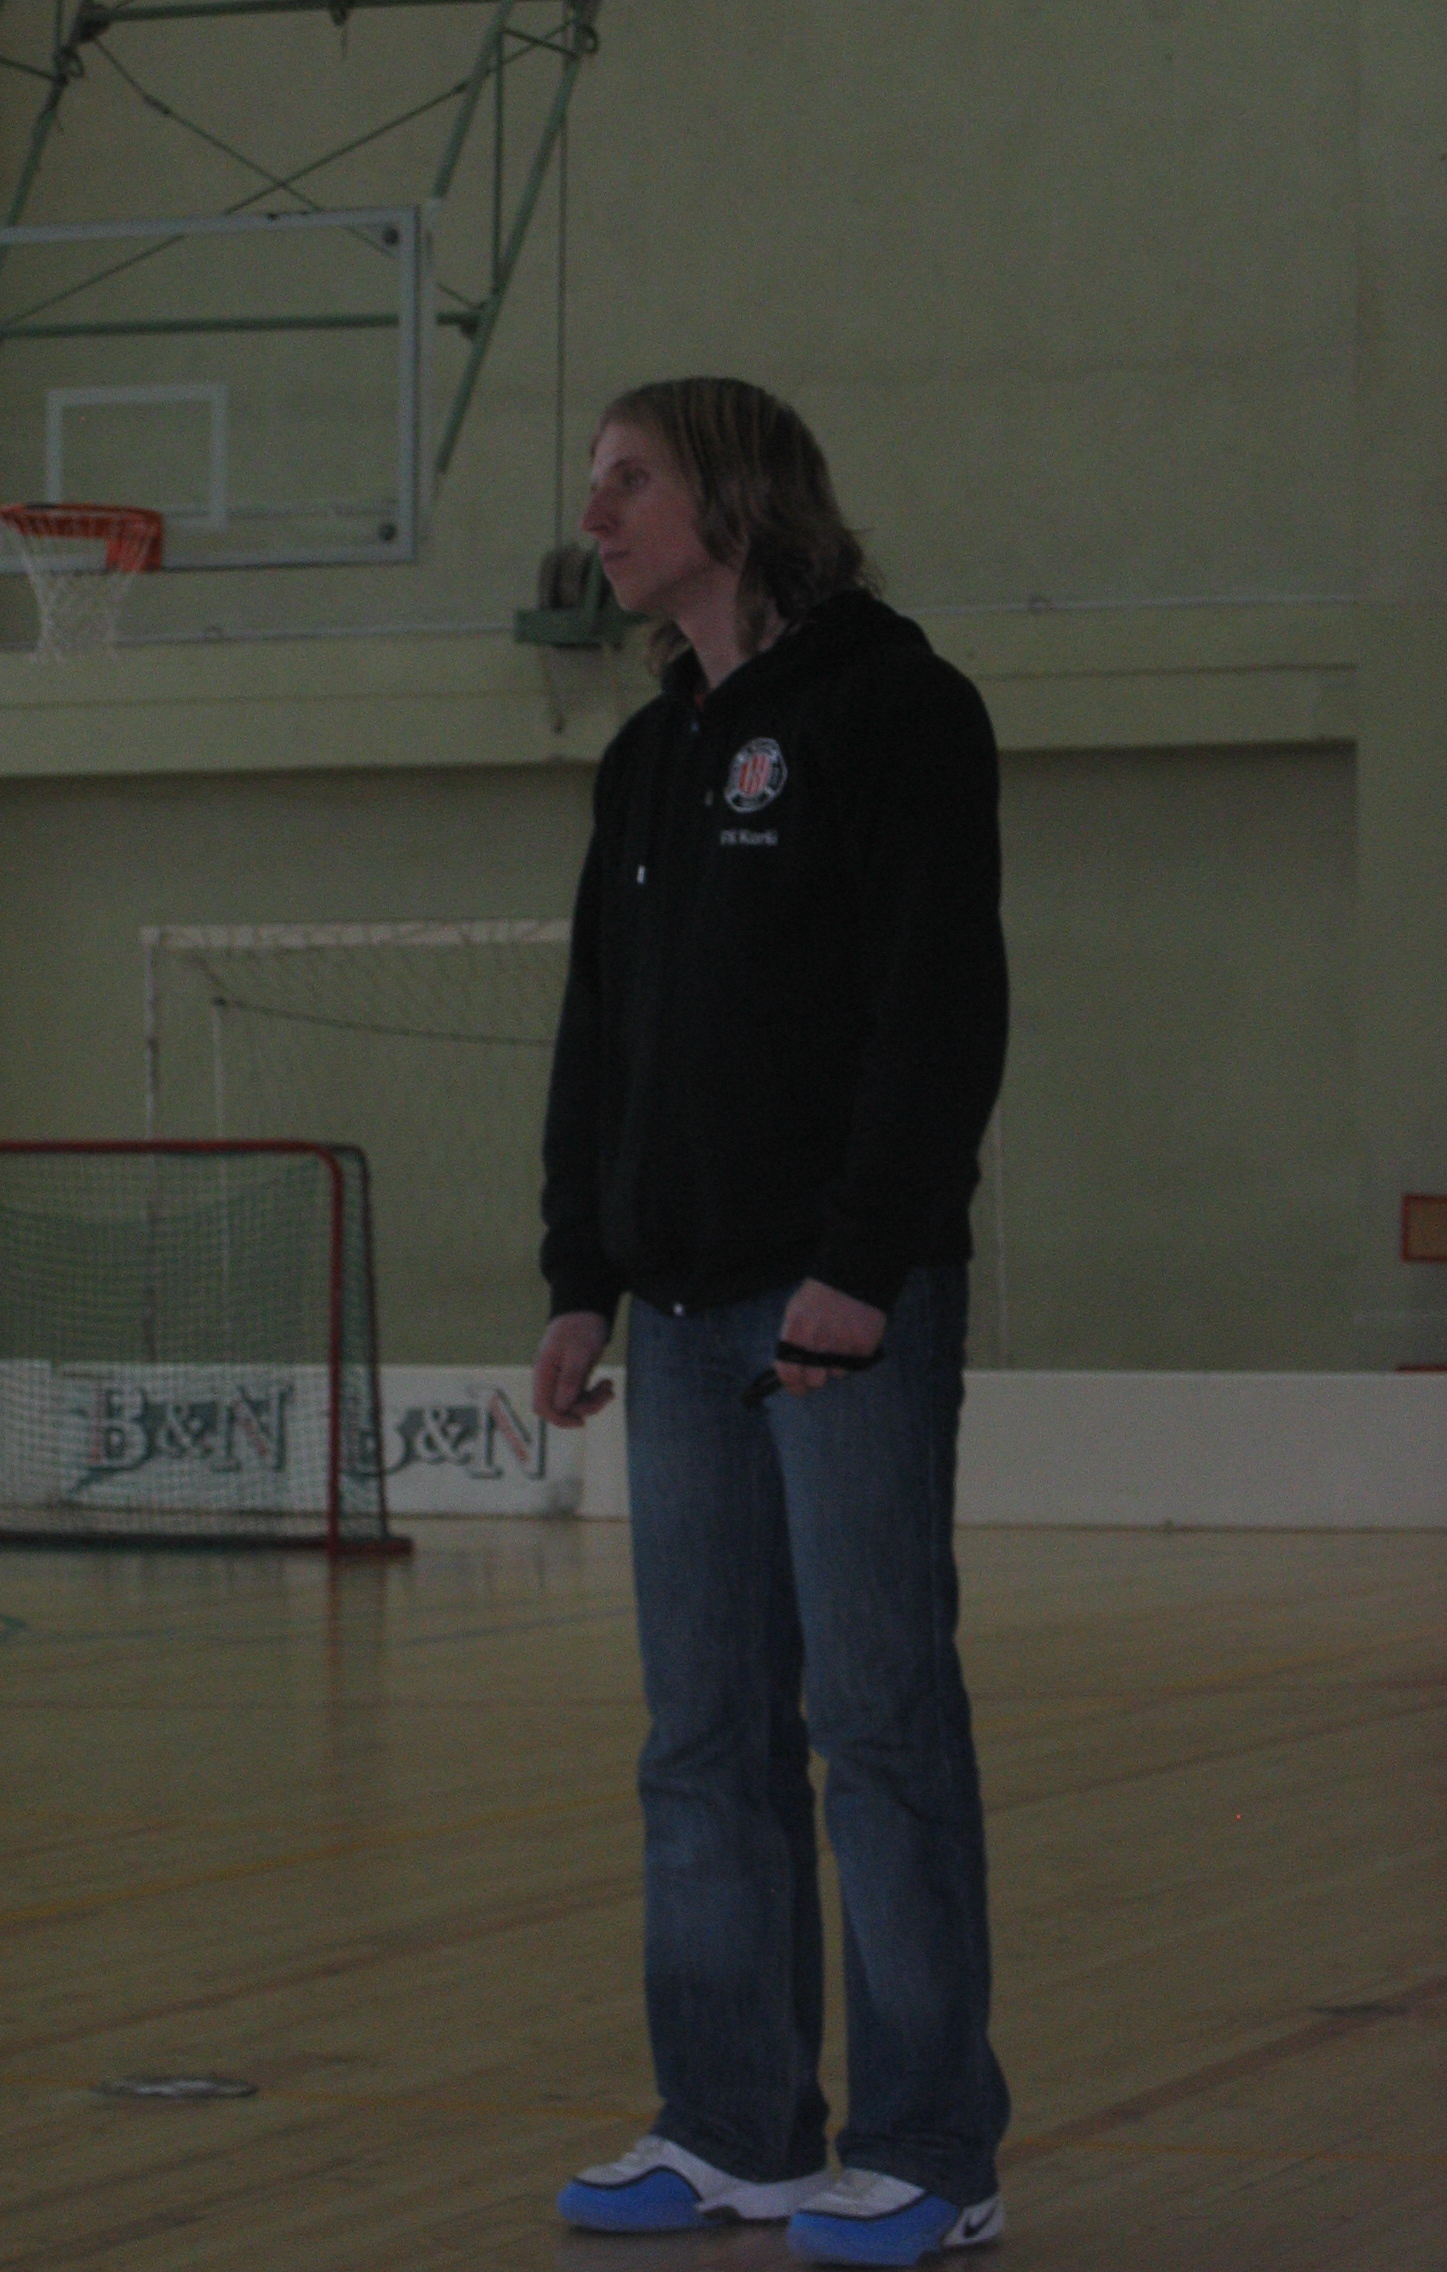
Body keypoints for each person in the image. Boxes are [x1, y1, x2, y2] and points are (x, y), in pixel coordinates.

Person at [533, 379, 1010, 2268]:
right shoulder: (648, 756)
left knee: (877, 1724)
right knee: (704, 1735)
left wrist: (861, 1264)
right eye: (594, 485)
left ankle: (931, 2147)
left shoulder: (898, 707)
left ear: (733, 497)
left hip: (838, 1307)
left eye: (628, 479)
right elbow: (599, 1035)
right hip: (674, 1308)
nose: (595, 518)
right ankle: (734, 2129)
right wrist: (579, 1276)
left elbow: (938, 1006)